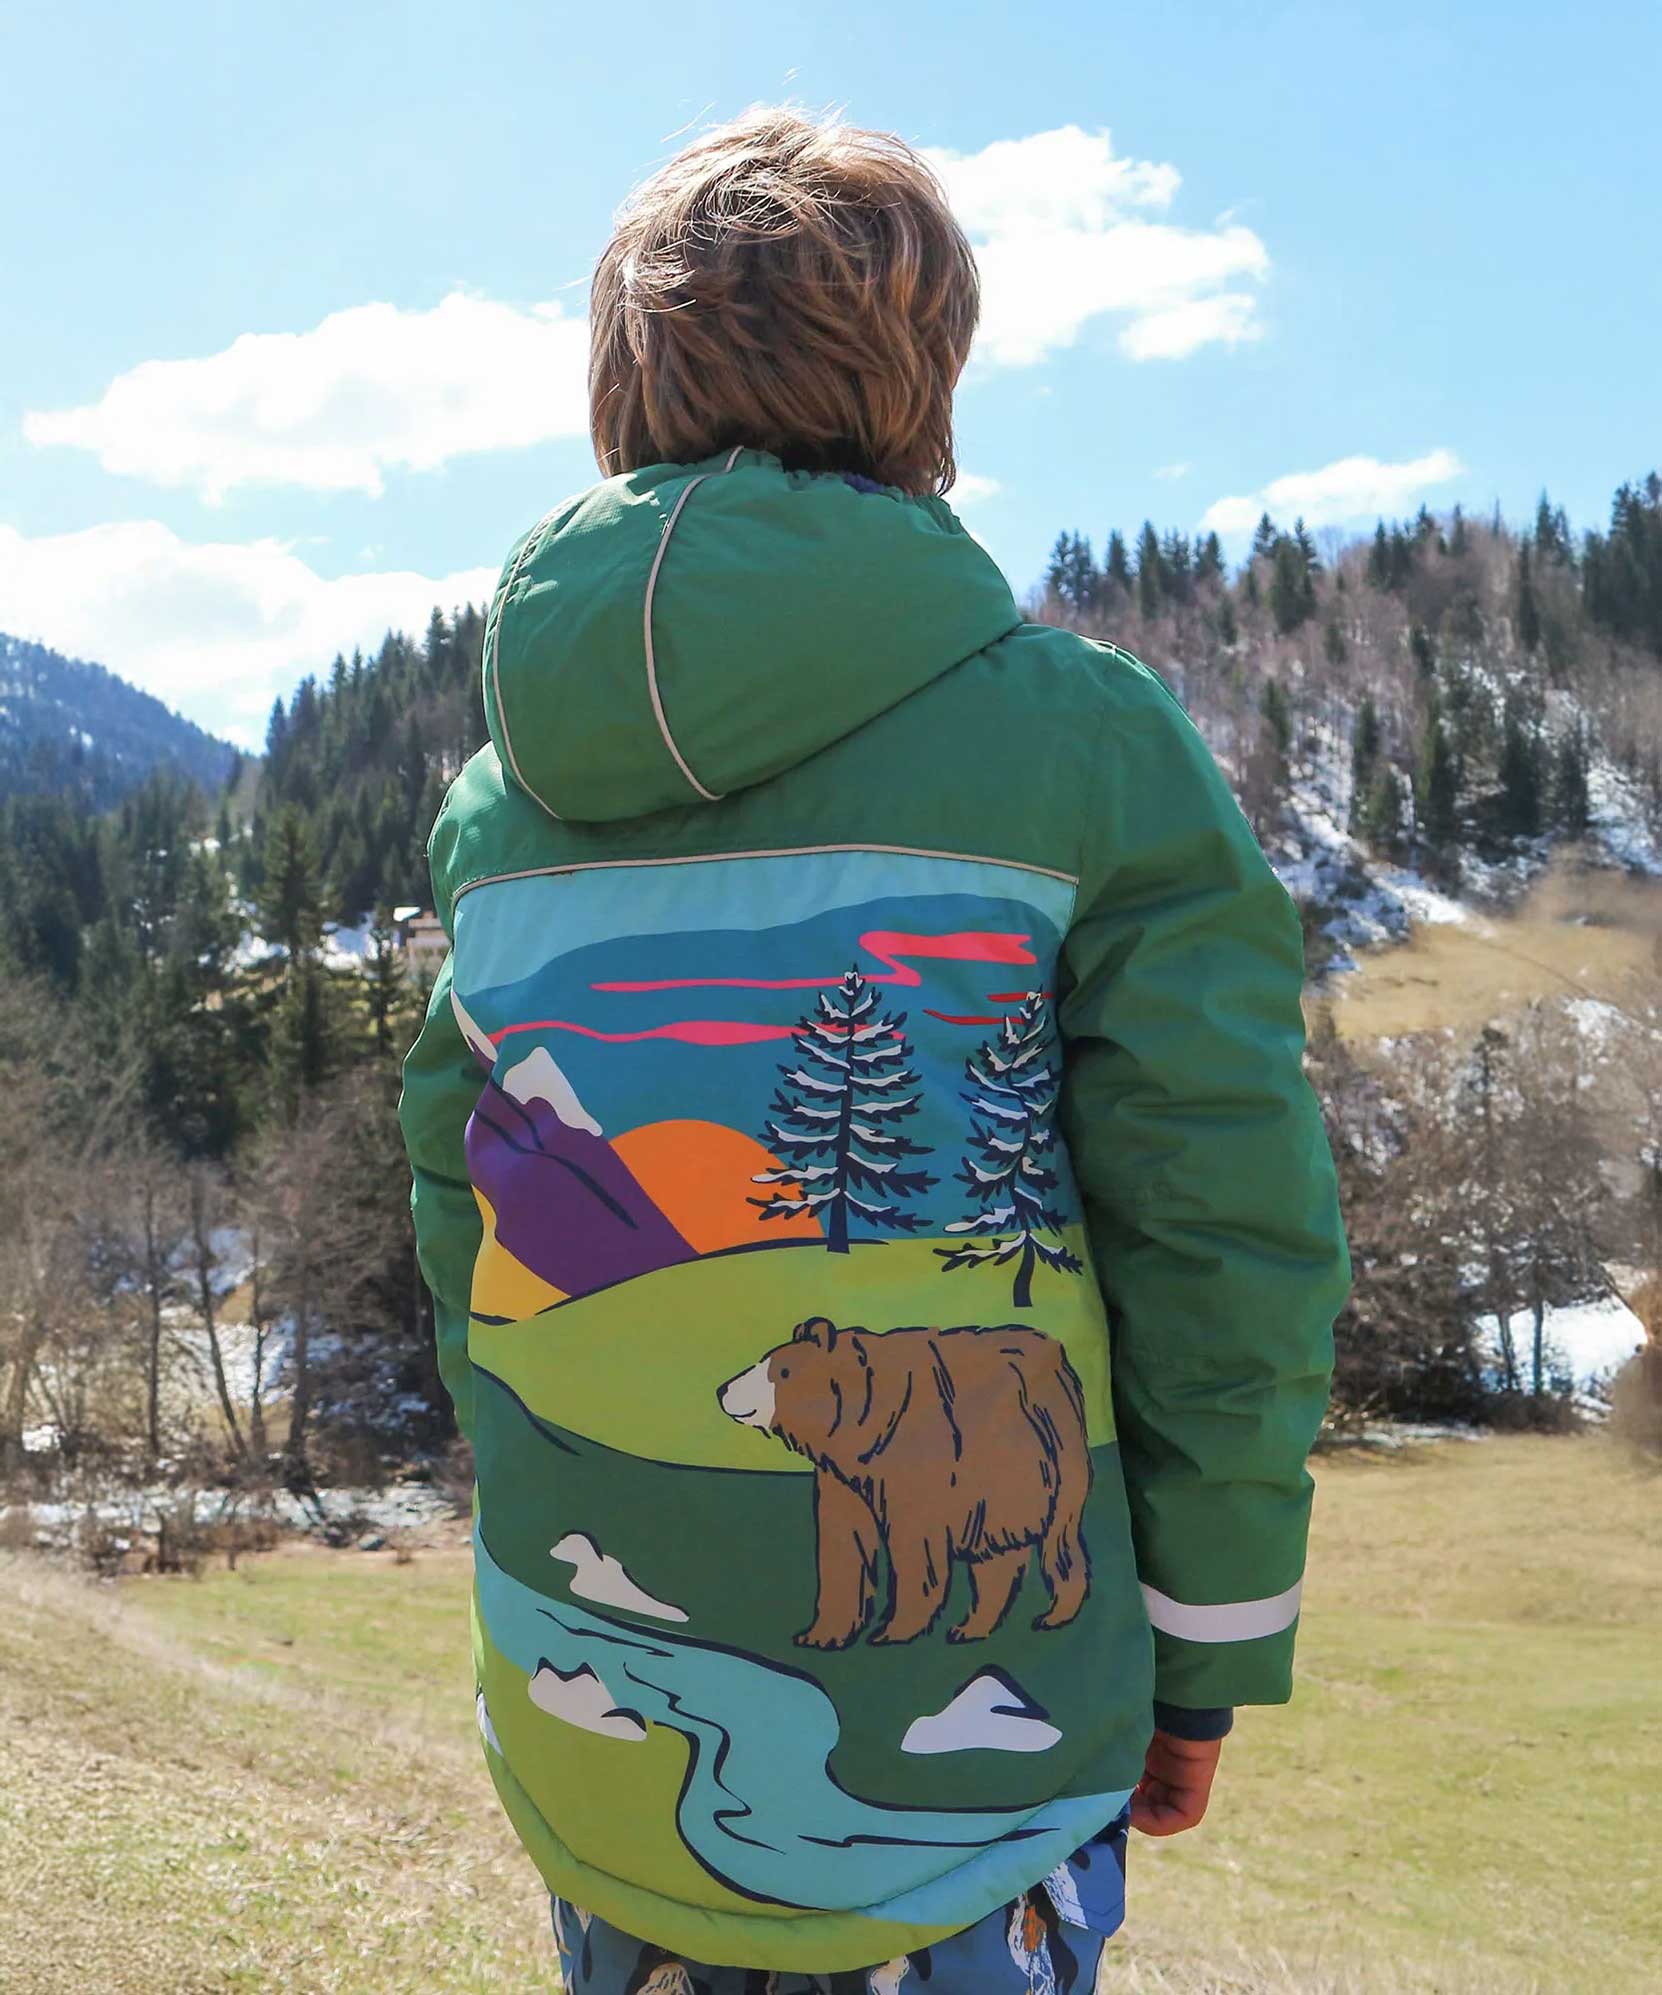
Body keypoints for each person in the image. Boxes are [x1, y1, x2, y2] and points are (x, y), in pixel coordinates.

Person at [399, 106, 1348, 1995]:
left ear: (619, 381)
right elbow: (1220, 1222)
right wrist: (1211, 1637)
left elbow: (460, 1207)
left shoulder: (500, 802)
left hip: (587, 1740)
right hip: (968, 1804)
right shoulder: (1083, 742)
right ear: (927, 377)